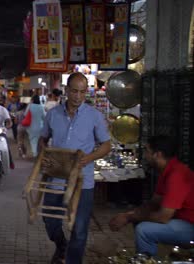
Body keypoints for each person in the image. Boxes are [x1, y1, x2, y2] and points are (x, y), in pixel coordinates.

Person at [38, 72, 111, 264]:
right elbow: (43, 139)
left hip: (82, 179)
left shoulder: (94, 116)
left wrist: (89, 158)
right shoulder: (53, 114)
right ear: (66, 90)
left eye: (82, 92)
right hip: (56, 177)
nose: (78, 96)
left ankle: (72, 260)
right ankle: (62, 246)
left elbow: (106, 145)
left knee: (79, 228)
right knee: (50, 220)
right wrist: (44, 155)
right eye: (74, 91)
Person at [109, 135, 194, 257]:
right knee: (139, 221)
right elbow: (153, 203)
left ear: (157, 154)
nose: (145, 155)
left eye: (147, 151)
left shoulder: (176, 175)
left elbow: (163, 217)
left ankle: (146, 260)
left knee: (144, 230)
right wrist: (129, 215)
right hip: (182, 221)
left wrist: (130, 217)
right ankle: (147, 258)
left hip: (190, 225)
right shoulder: (167, 170)